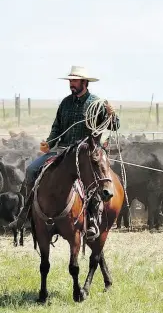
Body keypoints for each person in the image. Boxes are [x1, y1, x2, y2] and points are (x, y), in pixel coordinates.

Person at [9, 65, 120, 240]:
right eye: (70, 81)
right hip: (63, 149)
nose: (71, 84)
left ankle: (91, 220)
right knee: (32, 170)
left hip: (87, 151)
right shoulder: (65, 103)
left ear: (84, 82)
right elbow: (57, 127)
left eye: (75, 81)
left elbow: (114, 126)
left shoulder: (97, 104)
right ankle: (28, 214)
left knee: (92, 180)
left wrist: (112, 115)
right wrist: (49, 142)